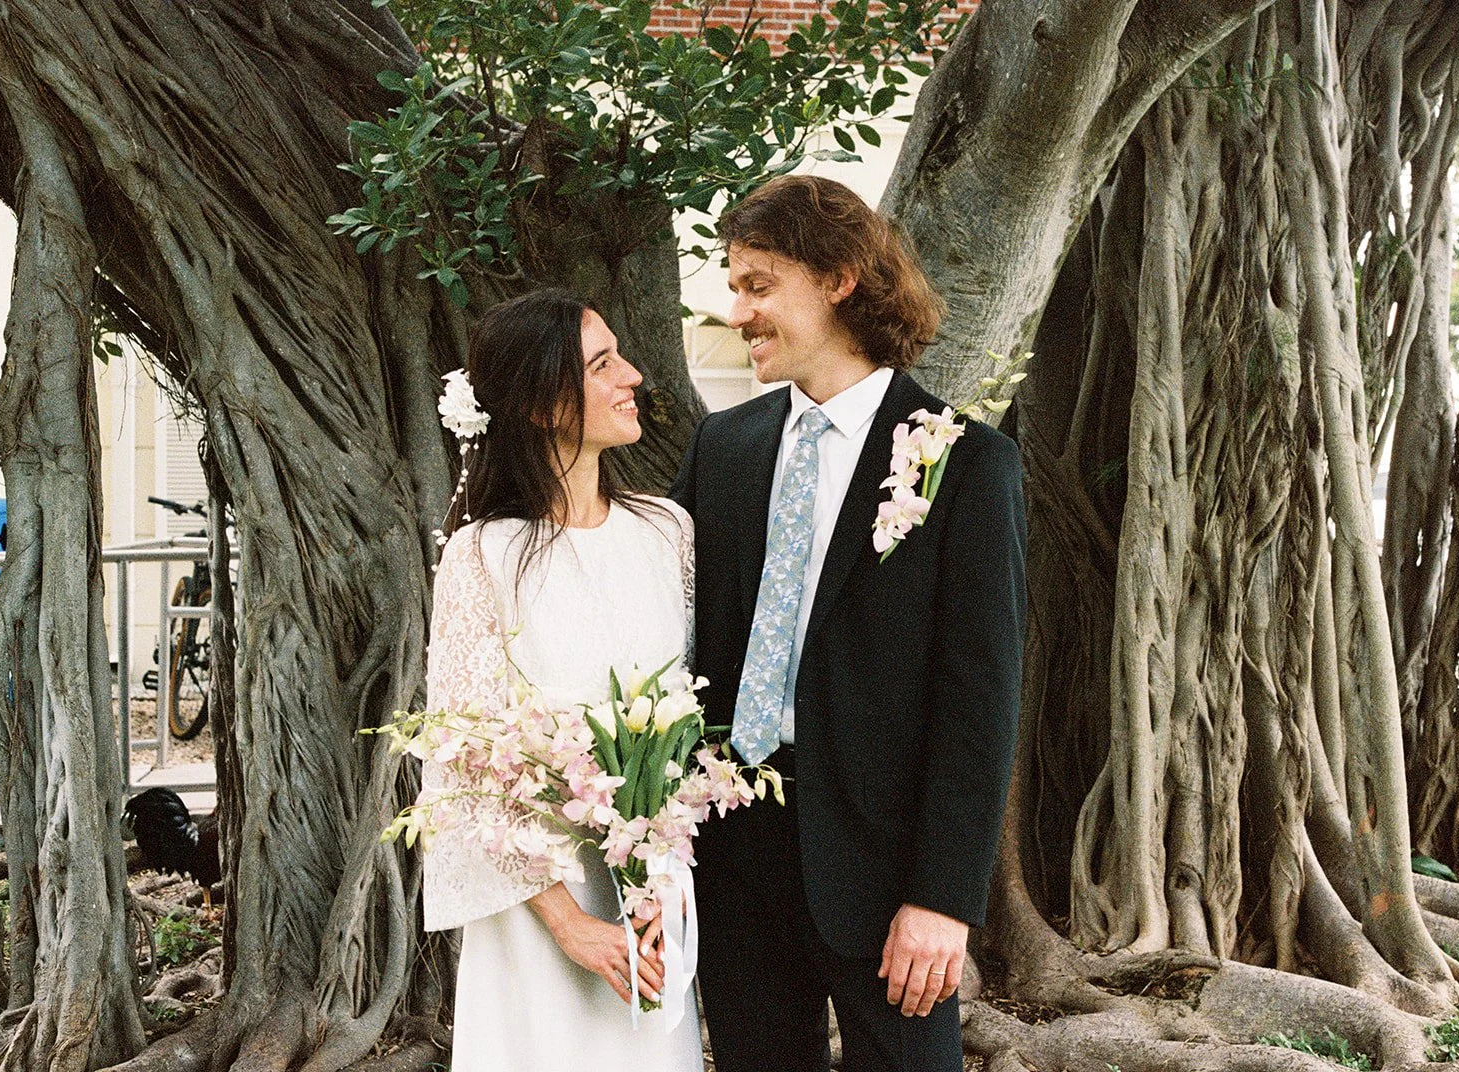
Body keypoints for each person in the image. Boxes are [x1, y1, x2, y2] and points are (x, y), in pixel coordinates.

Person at [671, 175, 1027, 1072]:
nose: (738, 311)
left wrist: (944, 898)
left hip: (884, 866)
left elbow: (979, 698)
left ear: (839, 279)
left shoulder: (962, 462)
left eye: (759, 286)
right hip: (736, 845)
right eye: (733, 285)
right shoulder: (725, 448)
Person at [421, 290, 703, 1071]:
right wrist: (569, 923)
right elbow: (463, 763)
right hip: (538, 906)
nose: (634, 376)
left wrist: (657, 870)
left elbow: (685, 720)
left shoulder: (666, 533)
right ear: (546, 405)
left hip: (649, 894)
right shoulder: (483, 558)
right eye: (603, 363)